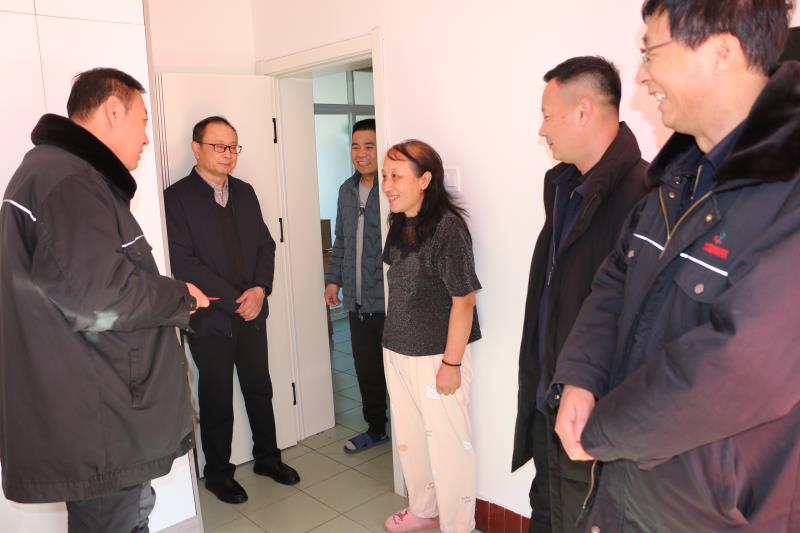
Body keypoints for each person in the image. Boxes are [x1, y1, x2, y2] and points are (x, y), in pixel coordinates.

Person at [551, 1, 800, 531]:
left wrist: (605, 429)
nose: (641, 76)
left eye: (651, 54)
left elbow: (744, 367)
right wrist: (582, 377)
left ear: (721, 53)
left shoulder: (788, 193)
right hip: (633, 494)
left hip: (715, 514)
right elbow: (614, 281)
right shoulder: (676, 179)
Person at [0, 67, 209, 533]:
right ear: (113, 111)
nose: (146, 138)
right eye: (142, 121)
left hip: (96, 409)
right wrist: (180, 296)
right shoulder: (68, 181)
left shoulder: (60, 175)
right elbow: (101, 298)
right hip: (102, 417)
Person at [510, 56, 649, 533]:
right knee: (548, 515)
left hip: (594, 416)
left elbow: (635, 324)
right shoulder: (563, 187)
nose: (542, 129)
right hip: (548, 402)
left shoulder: (643, 197)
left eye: (548, 115)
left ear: (584, 110)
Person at [164, 116, 300, 505]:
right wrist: (236, 299)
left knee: (260, 388)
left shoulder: (245, 192)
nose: (228, 154)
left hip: (252, 313)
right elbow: (184, 264)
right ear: (196, 148)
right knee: (217, 397)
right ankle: (219, 474)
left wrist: (260, 289)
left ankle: (268, 458)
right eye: (219, 146)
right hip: (209, 319)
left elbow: (265, 246)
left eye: (233, 147)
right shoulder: (176, 199)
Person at [380, 140, 482, 533]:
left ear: (424, 180)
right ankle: (424, 510)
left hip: (437, 356)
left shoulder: (447, 229)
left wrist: (451, 364)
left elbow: (464, 300)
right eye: (386, 176)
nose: (387, 185)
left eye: (396, 176)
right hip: (398, 349)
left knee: (449, 446)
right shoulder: (400, 223)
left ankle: (459, 526)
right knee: (411, 439)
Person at [323, 118, 389, 453]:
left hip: (389, 303)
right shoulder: (346, 191)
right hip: (357, 303)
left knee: (397, 374)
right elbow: (341, 240)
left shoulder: (391, 189)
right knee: (366, 370)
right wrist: (333, 280)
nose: (361, 153)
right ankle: (376, 429)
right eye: (355, 146)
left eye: (369, 146)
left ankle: (407, 437)